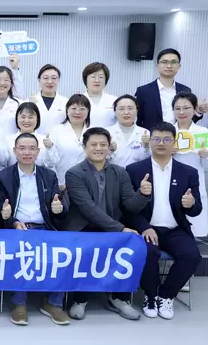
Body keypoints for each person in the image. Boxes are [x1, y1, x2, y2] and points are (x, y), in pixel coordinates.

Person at [62, 127, 151, 321]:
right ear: (84, 147)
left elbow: (130, 205)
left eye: (103, 144)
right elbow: (88, 208)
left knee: (132, 245)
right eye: (93, 144)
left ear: (109, 147)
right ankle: (80, 299)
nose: (98, 148)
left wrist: (143, 194)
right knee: (88, 248)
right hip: (83, 226)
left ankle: (119, 298)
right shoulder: (74, 173)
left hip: (111, 226)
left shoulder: (120, 172)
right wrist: (120, 228)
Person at [124, 122, 202, 320]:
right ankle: (150, 296)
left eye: (166, 139)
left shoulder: (188, 172)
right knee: (147, 252)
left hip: (175, 229)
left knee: (191, 255)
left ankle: (166, 296)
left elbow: (196, 210)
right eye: (156, 139)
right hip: (146, 228)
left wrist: (191, 204)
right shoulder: (133, 170)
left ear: (174, 142)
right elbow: (126, 208)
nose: (161, 143)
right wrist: (144, 227)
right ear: (149, 141)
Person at [0, 133, 69, 326]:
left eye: (31, 148)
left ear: (38, 151)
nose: (27, 152)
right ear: (14, 151)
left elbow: (58, 207)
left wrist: (58, 209)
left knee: (62, 255)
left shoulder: (48, 175)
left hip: (45, 228)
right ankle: (19, 303)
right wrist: (10, 219)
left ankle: (53, 303)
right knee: (20, 253)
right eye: (22, 148)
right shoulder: (3, 177)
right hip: (18, 229)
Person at [172, 91, 208, 238]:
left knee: (193, 233)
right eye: (177, 108)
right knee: (169, 230)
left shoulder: (203, 133)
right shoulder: (167, 132)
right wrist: (167, 152)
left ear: (194, 110)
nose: (181, 112)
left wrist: (206, 155)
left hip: (193, 186)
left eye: (186, 108)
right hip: (170, 184)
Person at [135, 48, 208, 131]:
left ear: (179, 66)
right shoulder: (143, 91)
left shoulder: (185, 90)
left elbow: (188, 121)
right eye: (164, 62)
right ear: (157, 66)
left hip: (179, 136)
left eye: (173, 62)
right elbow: (138, 120)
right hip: (153, 137)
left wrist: (198, 112)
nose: (169, 66)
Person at [43, 93, 91, 189]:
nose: (77, 112)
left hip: (87, 184)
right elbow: (49, 163)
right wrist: (49, 148)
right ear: (67, 110)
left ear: (88, 111)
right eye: (74, 108)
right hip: (61, 184)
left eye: (82, 109)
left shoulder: (93, 132)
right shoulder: (56, 131)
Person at [106, 94, 151, 168]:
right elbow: (100, 159)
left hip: (137, 173)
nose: (126, 112)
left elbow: (147, 160)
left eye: (130, 108)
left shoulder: (145, 133)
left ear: (137, 110)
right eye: (121, 109)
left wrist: (146, 147)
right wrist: (110, 151)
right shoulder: (107, 132)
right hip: (112, 173)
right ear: (115, 111)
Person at [5, 102, 52, 167]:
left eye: (30, 117)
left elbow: (51, 164)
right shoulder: (7, 140)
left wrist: (50, 148)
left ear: (37, 119)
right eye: (23, 117)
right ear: (17, 119)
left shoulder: (45, 140)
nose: (26, 121)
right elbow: (2, 161)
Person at [28, 64, 68, 135]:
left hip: (58, 141)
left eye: (54, 78)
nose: (50, 82)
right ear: (39, 80)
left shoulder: (66, 102)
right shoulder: (29, 102)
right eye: (46, 78)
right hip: (35, 140)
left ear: (58, 80)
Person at [0, 65, 22, 136]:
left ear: (11, 84)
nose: (2, 83)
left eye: (6, 80)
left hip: (12, 142)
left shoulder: (19, 104)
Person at [83, 62, 117, 128]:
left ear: (106, 80)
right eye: (93, 77)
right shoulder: (77, 100)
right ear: (85, 79)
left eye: (101, 77)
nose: (97, 80)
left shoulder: (114, 100)